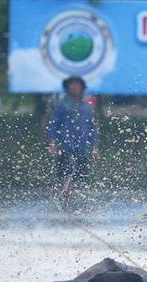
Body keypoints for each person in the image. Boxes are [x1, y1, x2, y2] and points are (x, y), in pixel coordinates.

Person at [46, 75, 99, 206]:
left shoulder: (86, 106)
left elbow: (92, 128)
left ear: (82, 87)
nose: (75, 87)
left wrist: (95, 147)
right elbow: (54, 124)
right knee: (66, 172)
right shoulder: (62, 105)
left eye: (77, 85)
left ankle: (75, 200)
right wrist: (52, 142)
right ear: (68, 87)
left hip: (82, 147)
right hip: (66, 146)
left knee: (80, 175)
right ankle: (65, 198)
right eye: (72, 84)